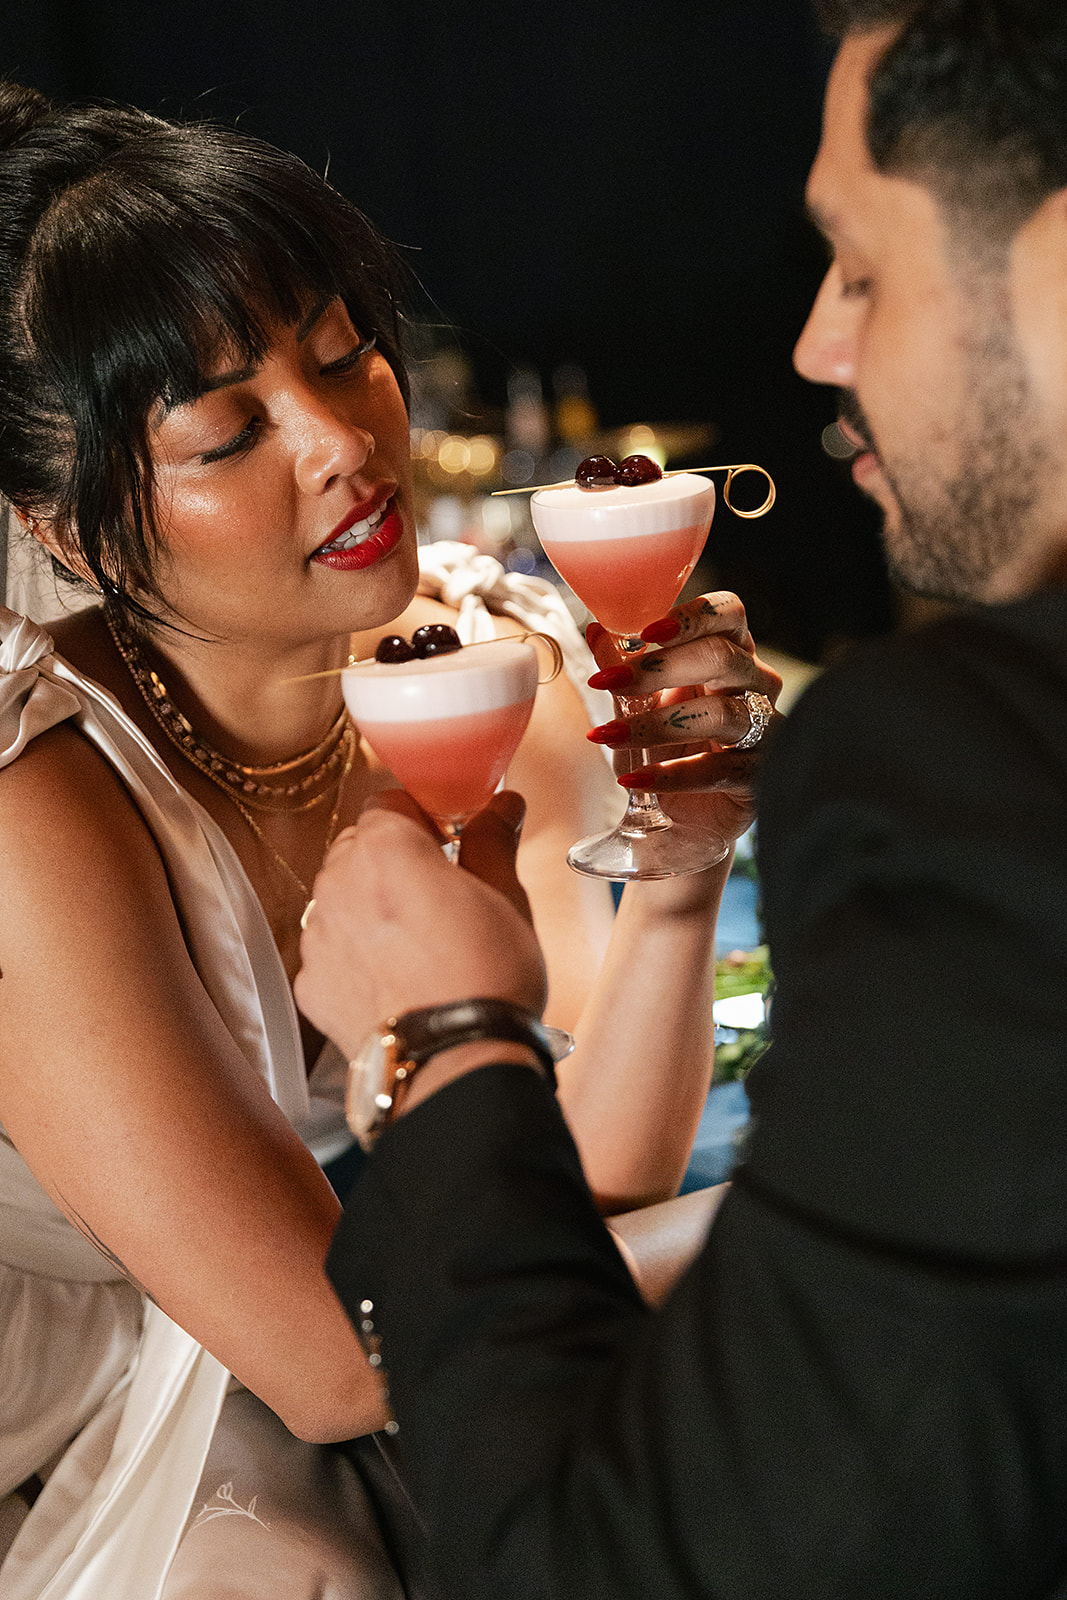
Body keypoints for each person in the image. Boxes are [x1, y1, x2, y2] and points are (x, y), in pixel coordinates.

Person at [303, 3, 1067, 1596]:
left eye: (861, 266)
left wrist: (446, 1048)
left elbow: (633, 1562)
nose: (814, 348)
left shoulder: (973, 758)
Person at [0, 80, 785, 1600]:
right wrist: (806, 1243)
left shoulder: (482, 668)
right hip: (77, 1392)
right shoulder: (40, 806)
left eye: (347, 350)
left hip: (330, 1337)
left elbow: (578, 1186)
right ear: (63, 530)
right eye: (229, 433)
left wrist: (683, 864)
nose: (346, 440)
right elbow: (329, 1368)